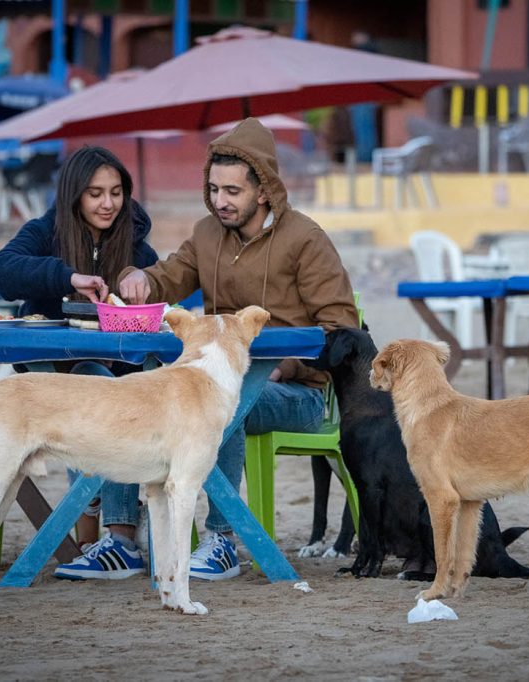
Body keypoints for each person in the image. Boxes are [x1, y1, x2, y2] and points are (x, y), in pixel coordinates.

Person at [120, 117, 360, 580]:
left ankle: (221, 540)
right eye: (213, 189)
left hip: (302, 397)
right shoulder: (207, 233)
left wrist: (286, 367)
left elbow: (342, 327)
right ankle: (120, 539)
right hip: (221, 381)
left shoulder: (306, 239)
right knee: (138, 386)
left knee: (223, 400)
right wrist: (141, 280)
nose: (219, 201)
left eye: (232, 191)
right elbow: (171, 275)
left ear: (264, 190)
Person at [0, 145, 158, 580]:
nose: (108, 204)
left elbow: (163, 285)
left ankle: (118, 538)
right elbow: (2, 270)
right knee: (104, 390)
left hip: (115, 369)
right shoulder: (45, 230)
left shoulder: (135, 241)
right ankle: (109, 527)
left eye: (116, 192)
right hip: (50, 371)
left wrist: (147, 287)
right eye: (95, 193)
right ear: (74, 195)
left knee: (120, 391)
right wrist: (68, 278)